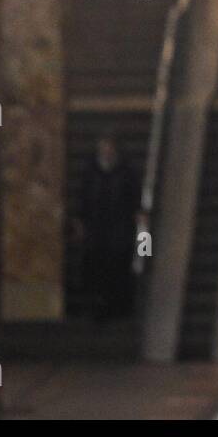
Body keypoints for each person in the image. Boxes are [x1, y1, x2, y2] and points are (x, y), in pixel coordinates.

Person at [76, 135, 142, 320]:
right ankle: (97, 306)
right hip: (96, 230)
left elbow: (133, 199)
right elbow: (83, 198)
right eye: (104, 146)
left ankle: (117, 308)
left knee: (117, 266)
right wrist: (81, 222)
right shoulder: (91, 171)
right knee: (96, 267)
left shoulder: (126, 172)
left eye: (110, 146)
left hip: (118, 230)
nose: (107, 150)